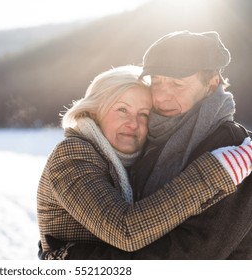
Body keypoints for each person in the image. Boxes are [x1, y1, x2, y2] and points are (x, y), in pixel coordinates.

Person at [37, 64, 252, 260]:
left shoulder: (132, 162)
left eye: (143, 114)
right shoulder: (73, 154)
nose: (133, 123)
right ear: (94, 111)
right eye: (122, 109)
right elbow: (125, 230)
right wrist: (218, 170)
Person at [128, 30, 252, 259]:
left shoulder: (234, 149)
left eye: (177, 84)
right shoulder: (147, 135)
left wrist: (84, 259)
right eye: (156, 81)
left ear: (211, 84)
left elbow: (191, 254)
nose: (162, 96)